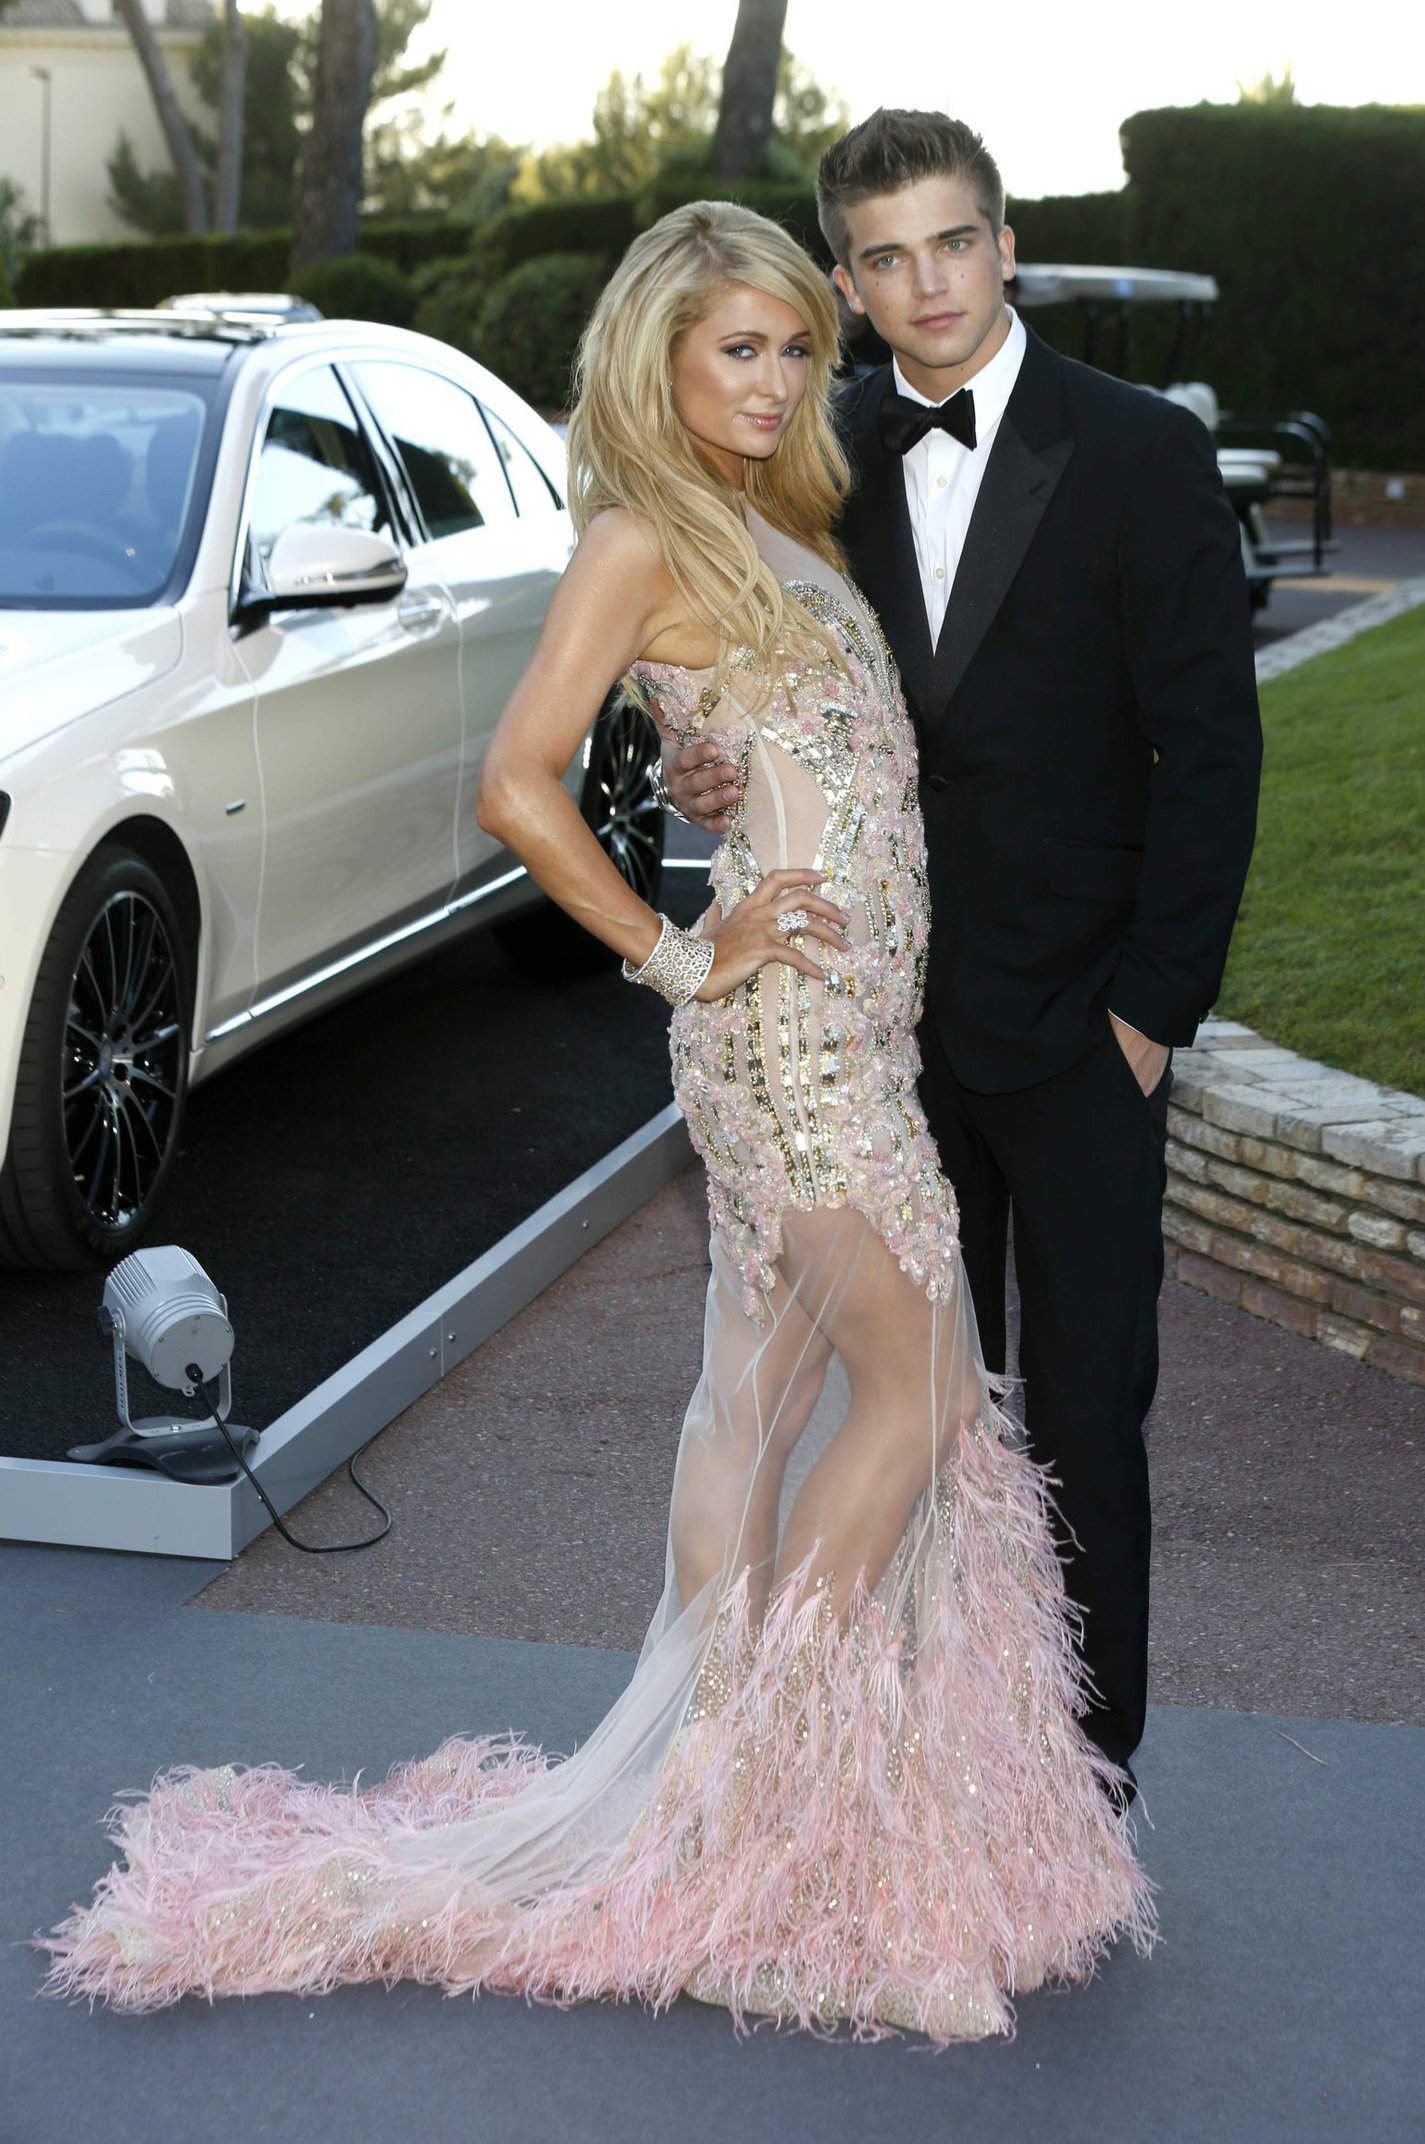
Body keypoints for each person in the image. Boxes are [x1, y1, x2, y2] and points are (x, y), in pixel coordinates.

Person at [43, 201, 1152, 2044]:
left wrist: (727, 787)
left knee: (755, 1400)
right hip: (787, 1040)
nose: (778, 376)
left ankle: (706, 1784)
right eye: (741, 348)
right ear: (659, 356)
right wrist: (675, 952)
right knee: (926, 1394)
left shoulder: (779, 519)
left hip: (845, 1029)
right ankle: (768, 1803)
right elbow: (511, 781)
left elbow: (763, 748)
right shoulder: (642, 533)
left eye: (798, 348)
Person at [667, 113, 1263, 1794]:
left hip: (1083, 1026)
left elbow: (1208, 752)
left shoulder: (1140, 450)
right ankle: (902, 1739)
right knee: (903, 1404)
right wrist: (695, 770)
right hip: (866, 1027)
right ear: (845, 282)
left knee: (1081, 1407)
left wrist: (1151, 1012)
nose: (922, 283)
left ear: (1003, 247)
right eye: (883, 256)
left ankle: (1079, 1760)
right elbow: (724, 685)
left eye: (951, 243)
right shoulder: (813, 457)